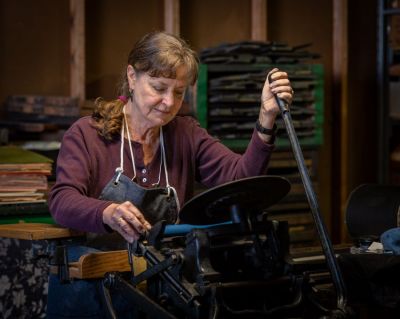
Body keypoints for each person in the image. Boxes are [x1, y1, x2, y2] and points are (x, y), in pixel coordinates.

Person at [46, 31, 293, 318]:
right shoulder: (87, 134)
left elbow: (240, 180)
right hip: (93, 288)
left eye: (178, 92)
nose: (168, 102)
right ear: (132, 77)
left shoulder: (185, 134)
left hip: (161, 284)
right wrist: (107, 212)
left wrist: (266, 117)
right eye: (158, 88)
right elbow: (61, 201)